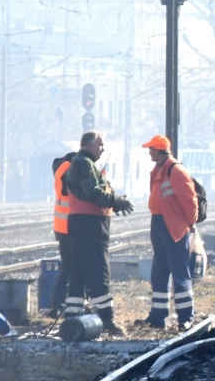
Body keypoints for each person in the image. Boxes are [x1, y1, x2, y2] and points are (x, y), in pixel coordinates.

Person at [62, 130, 134, 336]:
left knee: (80, 272)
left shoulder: (84, 163)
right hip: (90, 225)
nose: (102, 148)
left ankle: (73, 316)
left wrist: (114, 200)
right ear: (88, 144)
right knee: (98, 271)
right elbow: (93, 193)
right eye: (100, 144)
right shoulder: (84, 163)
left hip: (83, 224)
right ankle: (106, 318)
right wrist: (116, 201)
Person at [138, 134, 198, 330]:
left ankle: (185, 317)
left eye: (151, 150)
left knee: (180, 274)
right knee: (159, 273)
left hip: (174, 227)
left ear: (159, 150)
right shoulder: (157, 171)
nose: (149, 153)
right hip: (158, 223)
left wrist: (190, 224)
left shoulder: (176, 171)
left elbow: (190, 202)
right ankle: (158, 316)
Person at [48, 148, 78, 318]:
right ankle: (65, 304)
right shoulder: (70, 170)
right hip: (72, 226)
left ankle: (56, 305)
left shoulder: (60, 169)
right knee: (75, 267)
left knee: (67, 266)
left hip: (61, 226)